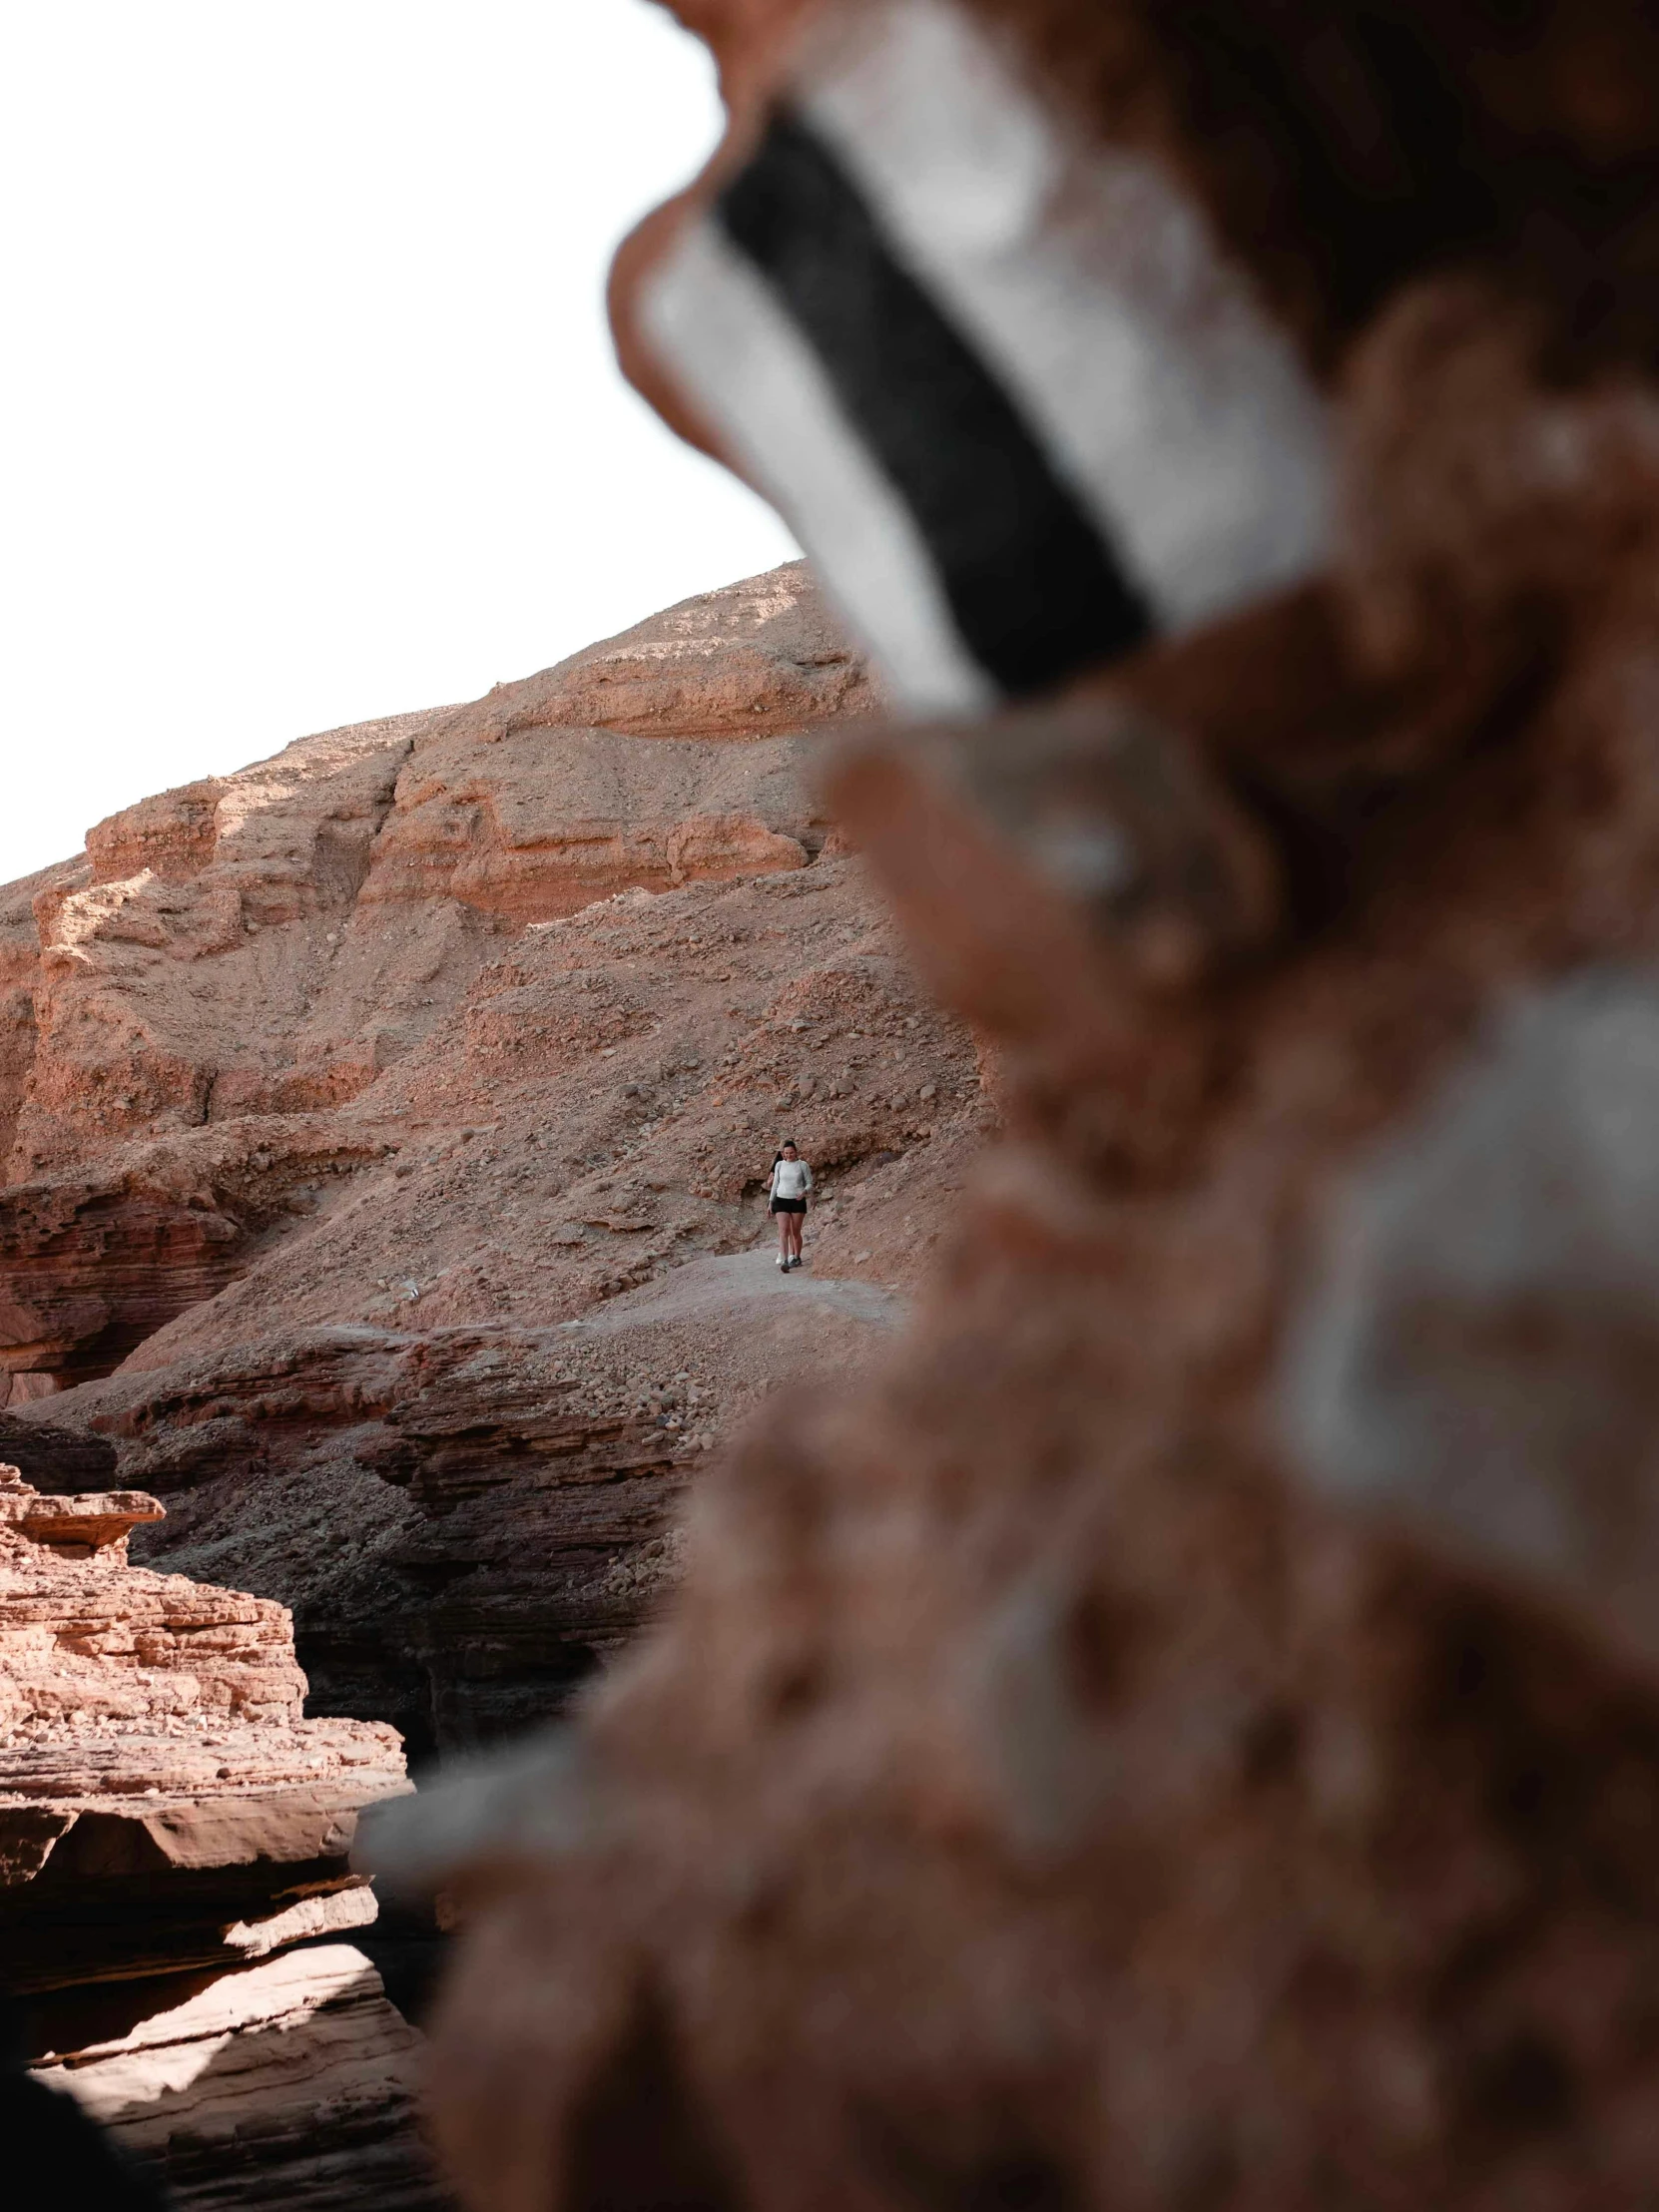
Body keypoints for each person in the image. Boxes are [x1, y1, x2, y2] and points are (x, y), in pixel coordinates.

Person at [768, 1141, 813, 1272]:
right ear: (783, 1153)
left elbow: (809, 1183)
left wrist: (804, 1192)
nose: (788, 1155)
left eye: (791, 1152)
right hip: (781, 1199)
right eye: (786, 1153)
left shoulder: (802, 1165)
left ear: (796, 1152)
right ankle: (785, 1260)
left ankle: (797, 1257)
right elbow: (775, 1184)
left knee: (795, 1232)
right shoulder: (779, 1165)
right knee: (783, 1231)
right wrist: (771, 1202)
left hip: (797, 1200)